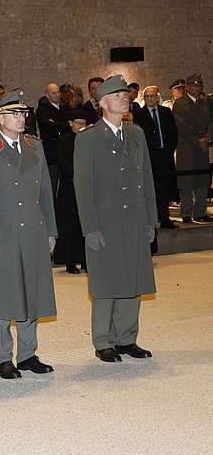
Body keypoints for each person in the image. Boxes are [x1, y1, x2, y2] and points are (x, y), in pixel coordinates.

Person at [0, 89, 58, 379]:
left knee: (31, 291)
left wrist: (51, 231)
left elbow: (45, 193)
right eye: (15, 114)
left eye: (23, 114)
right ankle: (3, 356)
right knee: (2, 295)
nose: (22, 119)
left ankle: (28, 353)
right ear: (0, 117)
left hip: (33, 229)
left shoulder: (35, 146)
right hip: (3, 233)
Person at [74, 75, 157, 363]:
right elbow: (82, 188)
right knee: (107, 281)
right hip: (105, 222)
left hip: (134, 217)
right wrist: (90, 227)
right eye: (118, 94)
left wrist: (151, 219)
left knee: (133, 277)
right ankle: (104, 341)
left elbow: (146, 179)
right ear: (103, 103)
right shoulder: (87, 139)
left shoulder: (136, 134)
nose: (125, 97)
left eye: (126, 93)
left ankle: (126, 338)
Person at [133, 86, 179, 228]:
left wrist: (168, 150)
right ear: (144, 98)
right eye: (147, 96)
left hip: (165, 155)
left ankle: (164, 217)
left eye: (153, 96)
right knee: (149, 188)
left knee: (164, 188)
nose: (150, 99)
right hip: (148, 156)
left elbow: (173, 132)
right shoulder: (139, 114)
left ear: (158, 97)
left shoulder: (165, 112)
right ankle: (151, 219)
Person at [172, 73, 213, 223]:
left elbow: (209, 122)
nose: (198, 88)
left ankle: (200, 212)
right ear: (187, 87)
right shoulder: (180, 104)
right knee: (186, 182)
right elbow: (182, 125)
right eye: (195, 85)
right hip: (187, 146)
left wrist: (207, 137)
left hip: (202, 146)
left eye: (200, 85)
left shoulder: (204, 103)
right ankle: (186, 213)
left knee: (203, 180)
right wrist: (197, 139)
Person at [54, 109, 87, 273]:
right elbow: (63, 162)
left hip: (87, 186)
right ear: (70, 123)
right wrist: (78, 173)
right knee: (70, 224)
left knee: (85, 224)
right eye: (78, 123)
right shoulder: (64, 140)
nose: (81, 126)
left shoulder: (89, 140)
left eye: (83, 123)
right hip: (70, 186)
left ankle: (87, 261)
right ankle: (70, 261)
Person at [36, 82, 70, 198]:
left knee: (66, 187)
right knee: (52, 185)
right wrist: (65, 124)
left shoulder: (65, 107)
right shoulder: (42, 110)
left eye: (58, 92)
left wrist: (56, 124)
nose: (57, 95)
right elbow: (47, 126)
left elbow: (70, 124)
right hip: (51, 153)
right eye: (53, 93)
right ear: (47, 95)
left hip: (65, 151)